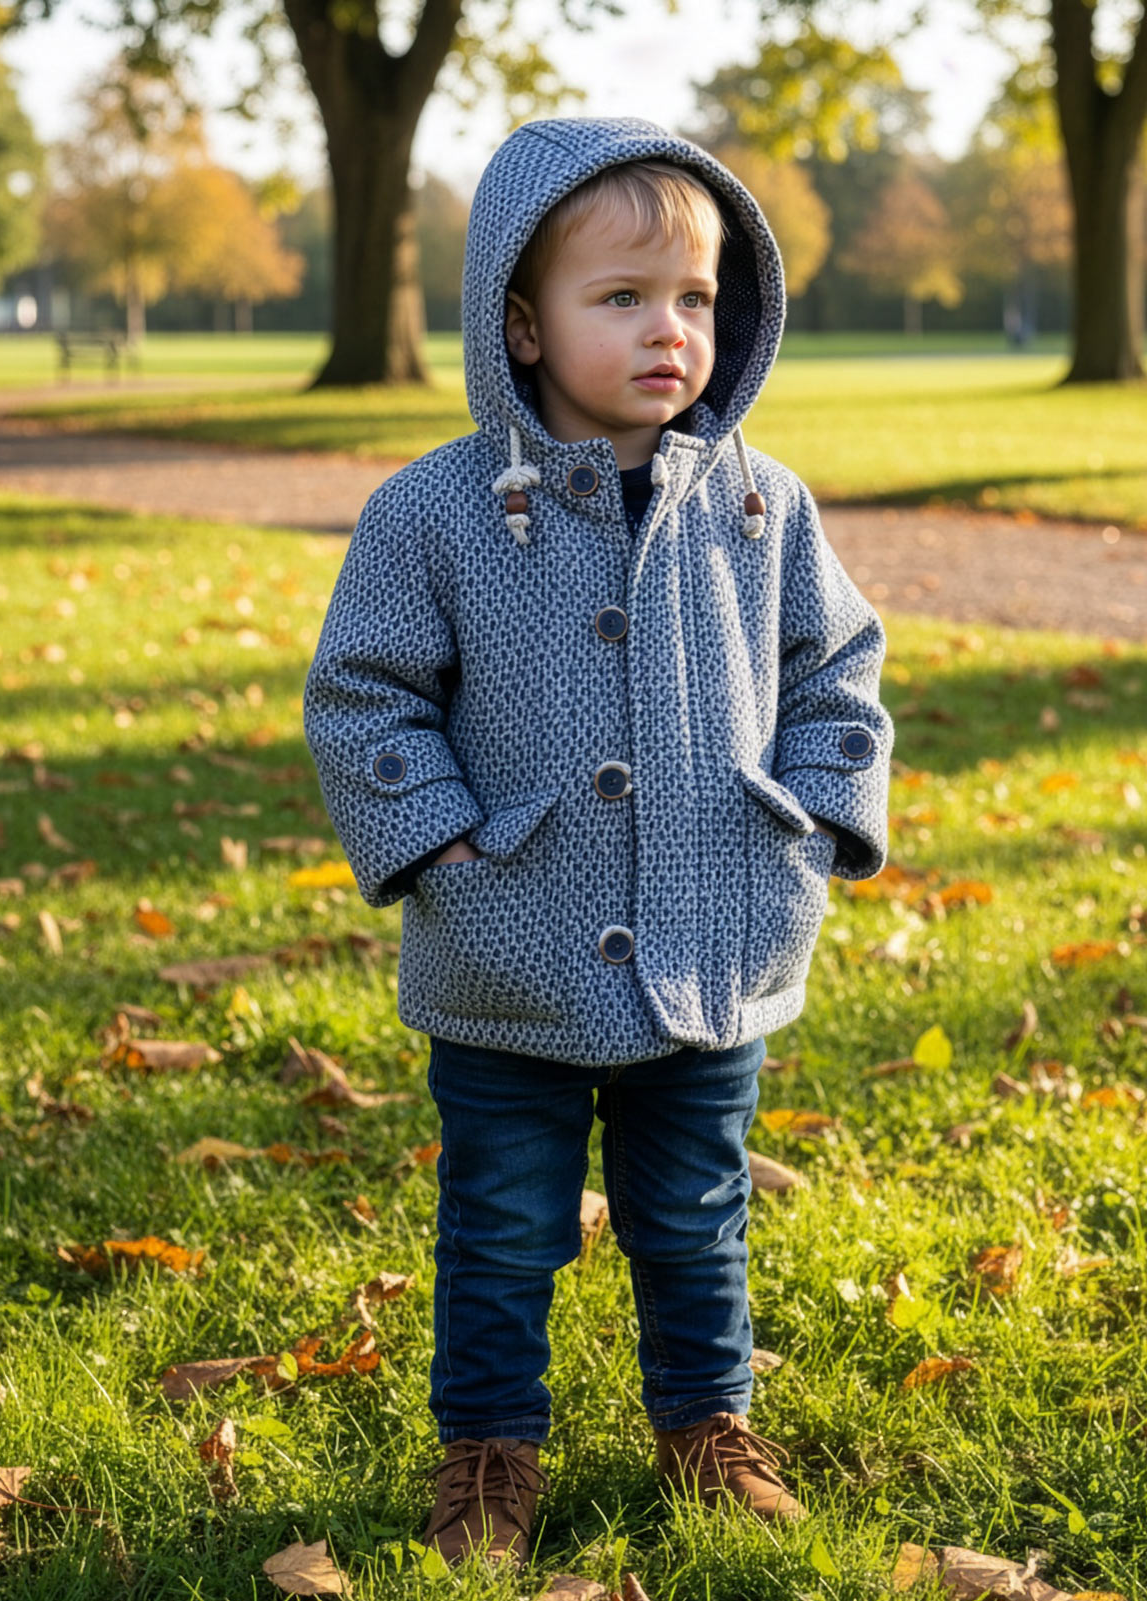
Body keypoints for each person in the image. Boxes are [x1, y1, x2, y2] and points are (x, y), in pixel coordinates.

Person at [303, 116, 894, 1572]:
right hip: (511, 952)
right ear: (519, 318)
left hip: (713, 942)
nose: (667, 330)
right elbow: (364, 693)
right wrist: (438, 844)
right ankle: (490, 1450)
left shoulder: (762, 504)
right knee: (501, 1228)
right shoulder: (433, 513)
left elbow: (841, 673)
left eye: (694, 297)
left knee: (695, 1216)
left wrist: (813, 820)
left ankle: (707, 1423)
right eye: (620, 298)